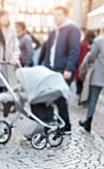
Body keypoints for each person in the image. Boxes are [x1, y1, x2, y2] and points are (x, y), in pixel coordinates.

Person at [44, 6, 81, 134]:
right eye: (54, 15)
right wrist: (46, 67)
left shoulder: (72, 29)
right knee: (50, 95)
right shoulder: (53, 31)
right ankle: (52, 122)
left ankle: (66, 126)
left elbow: (74, 50)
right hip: (52, 69)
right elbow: (49, 51)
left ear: (65, 15)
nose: (56, 17)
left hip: (64, 69)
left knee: (60, 96)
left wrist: (69, 68)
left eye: (59, 15)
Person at [79, 20, 104, 132]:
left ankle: (88, 122)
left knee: (93, 99)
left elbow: (91, 57)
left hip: (98, 74)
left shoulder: (99, 40)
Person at [75, 30, 96, 103]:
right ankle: (85, 97)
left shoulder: (81, 44)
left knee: (79, 82)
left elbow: (77, 55)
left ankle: (79, 95)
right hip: (90, 67)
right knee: (87, 83)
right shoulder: (94, 45)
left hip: (80, 65)